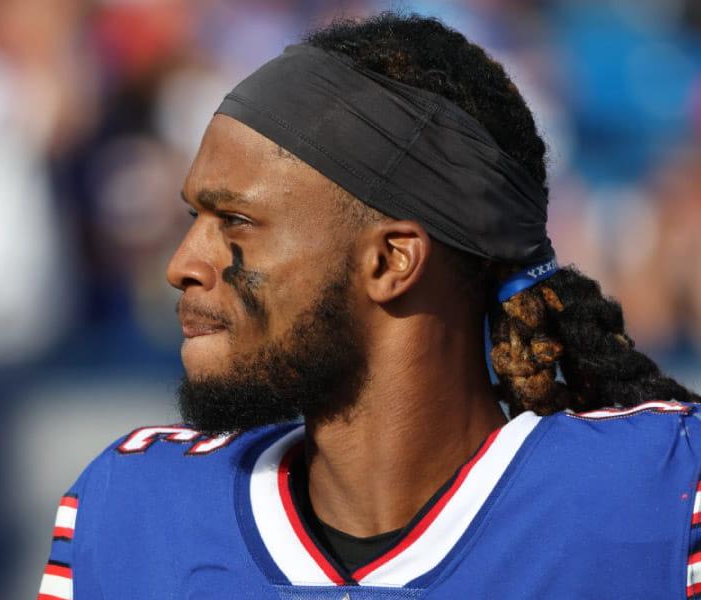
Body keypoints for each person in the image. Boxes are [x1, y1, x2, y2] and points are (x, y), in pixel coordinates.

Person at [39, 13, 701, 599]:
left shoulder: (660, 500)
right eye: (194, 216)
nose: (182, 264)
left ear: (390, 261)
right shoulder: (133, 514)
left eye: (236, 220)